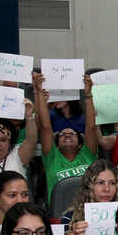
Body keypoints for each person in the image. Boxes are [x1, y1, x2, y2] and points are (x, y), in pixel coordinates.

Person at [34, 72, 99, 202]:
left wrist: (88, 94)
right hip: (59, 212)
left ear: (81, 143)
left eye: (72, 134)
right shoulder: (52, 158)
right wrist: (39, 92)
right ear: (56, 144)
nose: (67, 135)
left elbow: (91, 127)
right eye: (62, 134)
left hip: (88, 210)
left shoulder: (88, 155)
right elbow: (46, 127)